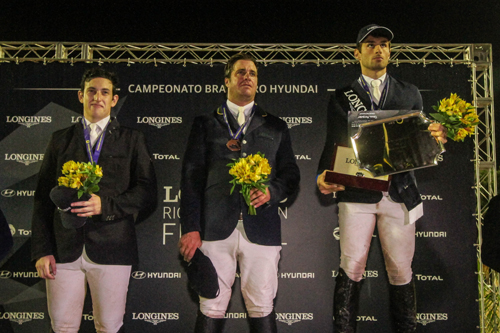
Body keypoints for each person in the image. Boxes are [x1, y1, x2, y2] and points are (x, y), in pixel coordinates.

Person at [316, 24, 447, 333]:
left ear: (390, 51)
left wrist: (438, 138)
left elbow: (421, 142)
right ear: (357, 52)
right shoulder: (342, 97)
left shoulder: (409, 93)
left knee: (401, 270)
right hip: (357, 193)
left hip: (400, 193)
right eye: (371, 44)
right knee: (352, 266)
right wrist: (323, 173)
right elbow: (333, 144)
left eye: (384, 44)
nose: (378, 49)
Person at [179, 53, 300, 333]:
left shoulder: (276, 126)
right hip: (214, 229)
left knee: (261, 306)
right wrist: (191, 228)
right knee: (211, 305)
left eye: (253, 73)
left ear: (257, 82)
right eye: (240, 72)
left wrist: (272, 191)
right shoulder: (205, 124)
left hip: (262, 228)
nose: (247, 77)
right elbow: (190, 180)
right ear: (227, 81)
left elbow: (291, 174)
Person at [31, 67, 157, 333]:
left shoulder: (133, 139)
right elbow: (43, 199)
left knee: (109, 327)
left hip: (114, 248)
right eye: (91, 91)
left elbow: (147, 192)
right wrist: (42, 250)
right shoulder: (60, 140)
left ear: (113, 99)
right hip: (63, 251)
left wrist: (106, 206)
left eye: (104, 92)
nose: (97, 97)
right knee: (63, 327)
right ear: (80, 96)